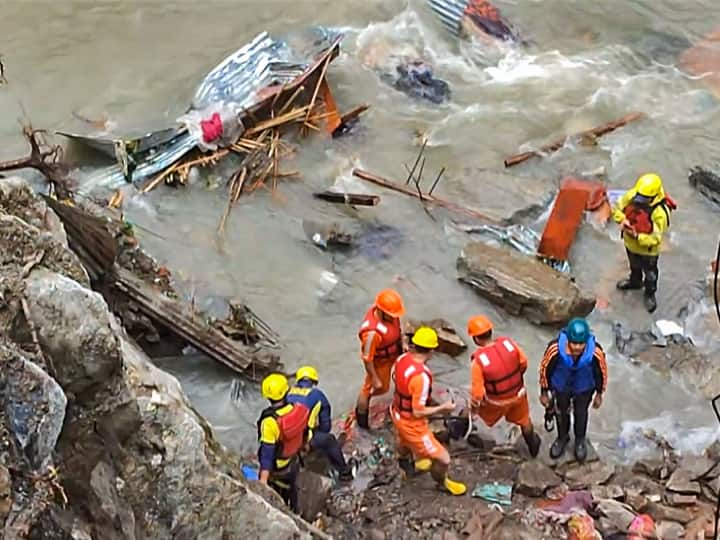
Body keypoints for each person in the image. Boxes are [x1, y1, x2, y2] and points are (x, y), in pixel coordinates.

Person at [390, 327, 467, 496]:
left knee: (403, 441)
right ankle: (442, 483)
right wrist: (443, 408)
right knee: (443, 458)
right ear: (432, 350)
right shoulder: (422, 377)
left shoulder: (402, 359)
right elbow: (418, 412)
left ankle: (407, 466)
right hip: (412, 422)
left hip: (396, 412)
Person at [466, 315, 541, 458]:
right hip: (518, 394)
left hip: (496, 401)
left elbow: (478, 394)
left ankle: (465, 433)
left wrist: (474, 408)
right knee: (524, 421)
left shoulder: (478, 361)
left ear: (475, 338)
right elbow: (524, 363)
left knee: (476, 416)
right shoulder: (509, 344)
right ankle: (532, 445)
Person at [538, 318, 608, 463]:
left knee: (581, 414)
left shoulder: (596, 353)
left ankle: (580, 440)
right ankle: (562, 437)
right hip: (561, 386)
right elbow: (545, 369)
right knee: (561, 412)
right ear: (568, 340)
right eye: (574, 343)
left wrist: (599, 394)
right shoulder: (555, 349)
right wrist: (544, 391)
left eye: (581, 344)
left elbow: (601, 373)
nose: (577, 347)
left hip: (584, 388)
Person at [612, 173, 677, 313]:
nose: (639, 201)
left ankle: (650, 293)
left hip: (648, 251)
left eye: (644, 199)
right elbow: (616, 207)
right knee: (634, 266)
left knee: (650, 274)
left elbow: (656, 238)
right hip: (630, 244)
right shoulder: (633, 194)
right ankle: (635, 282)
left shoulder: (659, 213)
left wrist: (638, 236)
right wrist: (622, 220)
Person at [287, 365, 356, 480]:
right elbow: (326, 426)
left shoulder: (288, 392)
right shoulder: (317, 395)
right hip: (301, 437)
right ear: (313, 381)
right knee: (330, 440)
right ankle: (344, 472)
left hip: (285, 435)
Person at [257, 373, 311, 512]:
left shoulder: (269, 422)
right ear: (287, 391)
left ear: (268, 397)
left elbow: (267, 453)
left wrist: (263, 482)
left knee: (279, 492)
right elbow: (305, 432)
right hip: (294, 459)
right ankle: (295, 510)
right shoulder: (298, 408)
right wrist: (304, 446)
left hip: (279, 467)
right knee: (292, 490)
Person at [355, 289, 406, 430]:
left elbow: (398, 330)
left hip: (393, 353)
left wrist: (403, 344)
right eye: (391, 315)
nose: (394, 317)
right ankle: (361, 419)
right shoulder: (372, 334)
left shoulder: (390, 315)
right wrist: (375, 378)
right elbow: (367, 358)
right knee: (375, 389)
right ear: (382, 311)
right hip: (380, 362)